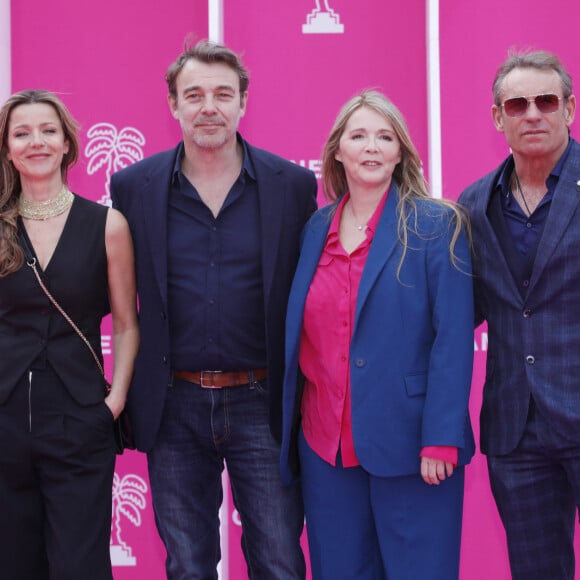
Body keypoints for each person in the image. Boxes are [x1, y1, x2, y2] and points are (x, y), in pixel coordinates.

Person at [110, 39, 318, 579]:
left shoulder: (292, 186)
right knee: (188, 563)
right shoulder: (133, 187)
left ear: (243, 103)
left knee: (278, 558)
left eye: (223, 94)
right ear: (173, 105)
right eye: (194, 94)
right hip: (173, 402)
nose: (209, 107)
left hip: (262, 402)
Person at [280, 89, 475, 580]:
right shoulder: (314, 229)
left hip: (415, 449)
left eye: (384, 137)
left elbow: (452, 340)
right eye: (359, 135)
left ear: (400, 152)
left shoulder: (437, 224)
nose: (371, 146)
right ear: (337, 150)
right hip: (327, 449)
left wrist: (441, 438)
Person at [0, 89, 139, 579]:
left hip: (81, 417)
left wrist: (115, 400)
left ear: (66, 144)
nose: (35, 141)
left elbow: (125, 322)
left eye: (47, 131)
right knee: (13, 563)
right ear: (8, 148)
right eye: (22, 133)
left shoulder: (107, 225)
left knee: (80, 566)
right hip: (6, 419)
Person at [458, 49, 580, 580]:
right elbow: (464, 310)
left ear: (569, 110)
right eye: (517, 104)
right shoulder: (474, 202)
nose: (532, 114)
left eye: (546, 101)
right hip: (515, 431)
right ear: (497, 117)